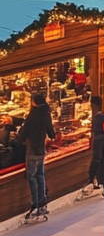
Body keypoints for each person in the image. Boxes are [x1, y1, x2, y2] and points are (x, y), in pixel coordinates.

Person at [20, 92, 55, 222]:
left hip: (32, 150)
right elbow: (51, 132)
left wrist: (19, 141)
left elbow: (23, 134)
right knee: (40, 175)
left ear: (35, 102)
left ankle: (35, 205)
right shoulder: (46, 114)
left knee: (32, 176)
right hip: (41, 149)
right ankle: (42, 203)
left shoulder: (32, 116)